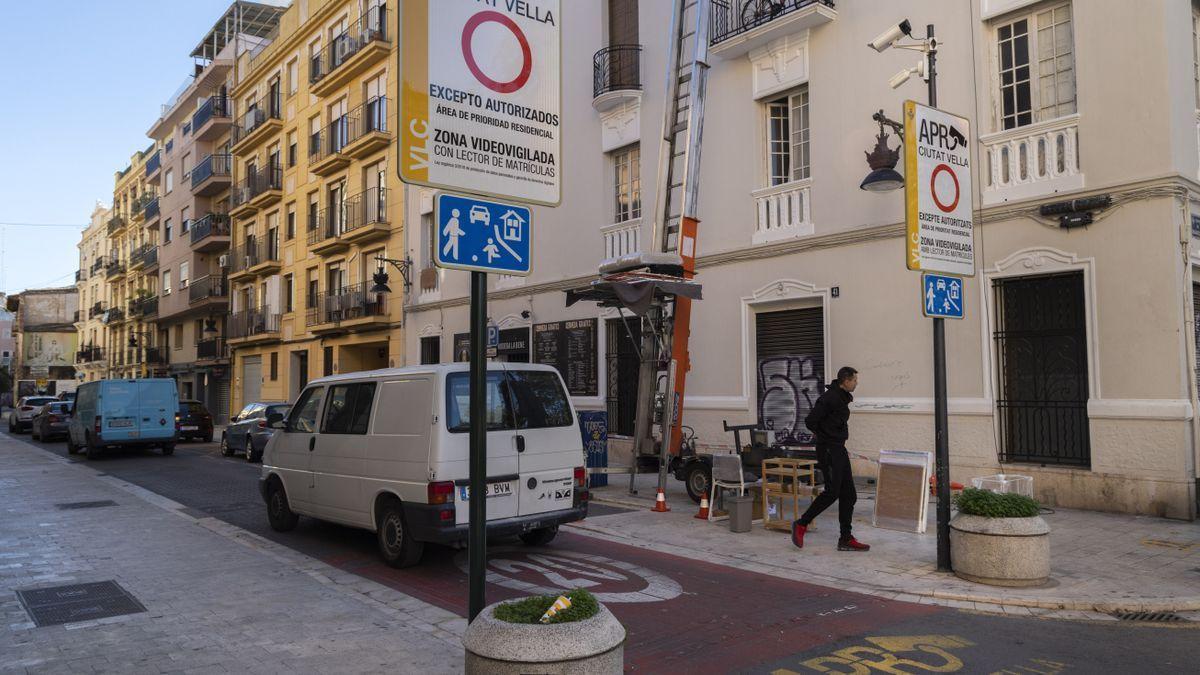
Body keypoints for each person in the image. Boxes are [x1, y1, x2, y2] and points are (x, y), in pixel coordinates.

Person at [792, 366, 870, 551]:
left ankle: (845, 539)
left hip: (839, 449)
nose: (856, 383)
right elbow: (810, 421)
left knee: (849, 495)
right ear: (845, 380)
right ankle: (801, 524)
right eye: (854, 380)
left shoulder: (841, 398)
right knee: (832, 492)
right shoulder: (829, 398)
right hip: (829, 450)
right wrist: (825, 438)